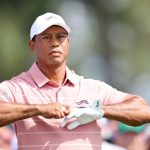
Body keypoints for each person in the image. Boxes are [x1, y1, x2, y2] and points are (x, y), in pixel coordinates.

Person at [0, 12, 149, 150]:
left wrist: (100, 111)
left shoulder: (93, 88)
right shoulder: (16, 88)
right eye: (46, 37)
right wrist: (39, 109)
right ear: (32, 46)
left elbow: (143, 111)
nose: (55, 43)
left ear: (68, 43)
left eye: (60, 37)